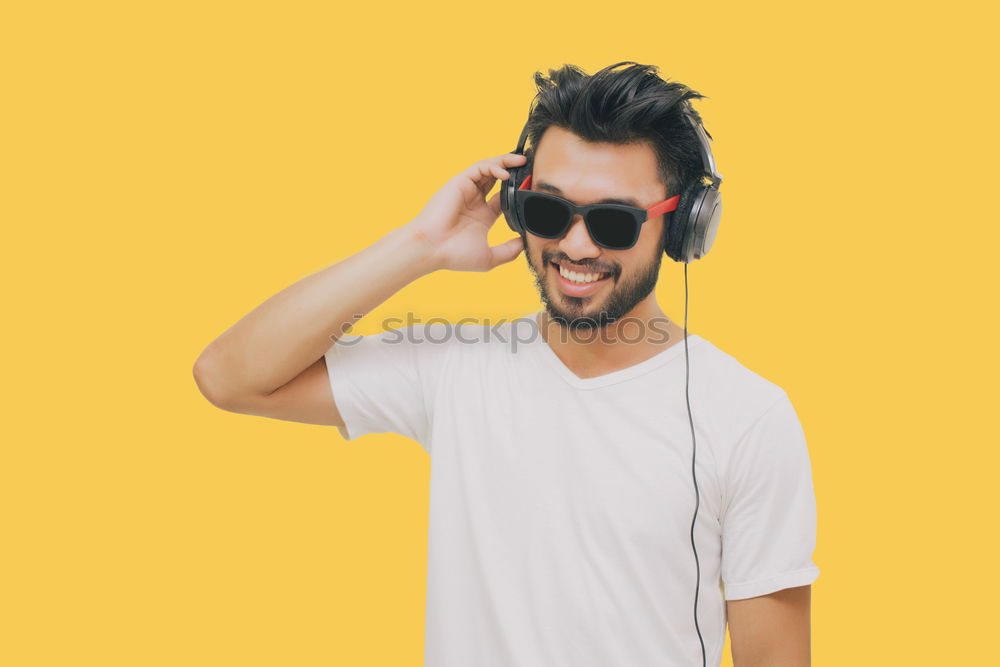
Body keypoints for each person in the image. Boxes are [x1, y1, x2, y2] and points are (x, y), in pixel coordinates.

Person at [193, 61, 820, 667]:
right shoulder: (456, 369)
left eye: (614, 221)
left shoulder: (746, 417)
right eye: (549, 211)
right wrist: (420, 246)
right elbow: (228, 376)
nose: (575, 246)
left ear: (682, 224)